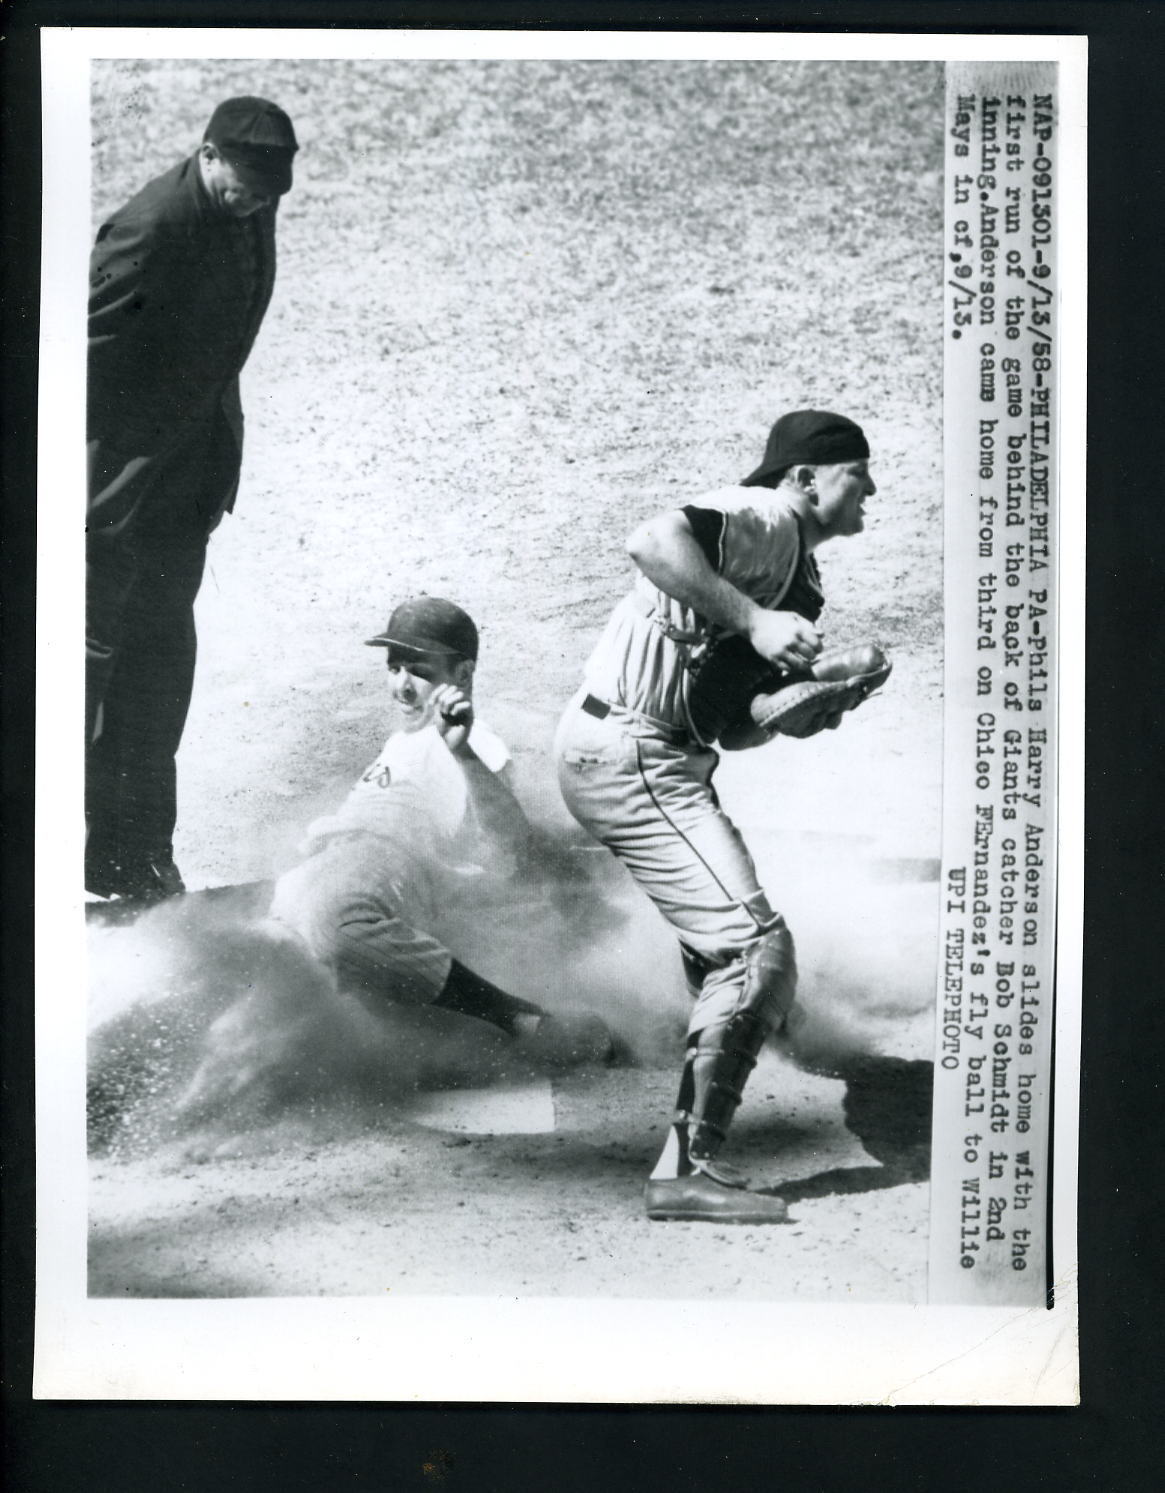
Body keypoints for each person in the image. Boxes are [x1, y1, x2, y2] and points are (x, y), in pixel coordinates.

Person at [554, 409, 878, 1223]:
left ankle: (709, 1058)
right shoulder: (767, 517)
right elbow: (650, 541)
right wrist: (755, 620)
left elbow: (729, 720)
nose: (870, 487)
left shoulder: (796, 577)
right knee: (754, 950)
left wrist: (801, 708)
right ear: (805, 479)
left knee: (729, 951)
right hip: (631, 753)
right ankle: (684, 1170)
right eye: (856, 471)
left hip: (650, 753)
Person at [86, 96, 299, 901]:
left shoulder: (249, 204)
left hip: (186, 490)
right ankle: (59, 872)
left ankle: (137, 860)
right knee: (84, 688)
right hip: (114, 505)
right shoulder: (151, 230)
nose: (254, 203)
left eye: (267, 194)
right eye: (242, 186)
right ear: (207, 155)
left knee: (157, 682)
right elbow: (73, 364)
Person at [267, 597, 612, 1064]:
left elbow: (509, 840)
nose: (402, 686)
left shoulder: (472, 739)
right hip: (315, 873)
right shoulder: (402, 741)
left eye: (419, 670)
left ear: (464, 674)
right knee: (245, 963)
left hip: (380, 865)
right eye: (394, 668)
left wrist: (463, 750)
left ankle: (519, 1018)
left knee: (337, 928)